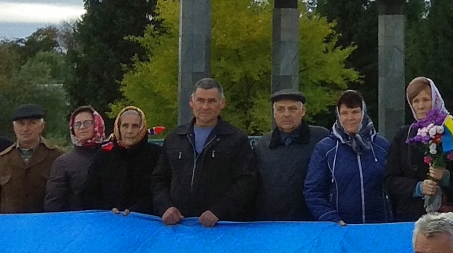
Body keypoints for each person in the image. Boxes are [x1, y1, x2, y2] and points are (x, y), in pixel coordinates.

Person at [152, 79, 259, 226]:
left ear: (222, 103)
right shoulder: (174, 138)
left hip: (221, 227)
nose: (205, 106)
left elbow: (247, 182)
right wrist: (165, 207)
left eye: (211, 101)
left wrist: (218, 211)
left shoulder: (236, 139)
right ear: (191, 102)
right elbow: (159, 179)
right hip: (179, 226)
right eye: (200, 100)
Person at [306, 91, 392, 225]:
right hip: (341, 228)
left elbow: (394, 184)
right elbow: (313, 190)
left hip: (379, 227)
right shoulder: (326, 148)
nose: (350, 118)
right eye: (344, 113)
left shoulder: (382, 146)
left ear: (363, 113)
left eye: (355, 112)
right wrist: (330, 218)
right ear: (338, 115)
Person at [387, 78, 453, 220]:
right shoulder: (403, 136)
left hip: (446, 215)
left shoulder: (452, 131)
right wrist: (417, 188)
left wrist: (446, 177)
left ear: (435, 100)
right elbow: (390, 179)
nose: (420, 106)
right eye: (415, 101)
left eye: (425, 100)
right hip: (410, 216)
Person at [256, 90, 326, 221]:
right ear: (274, 113)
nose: (286, 114)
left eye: (292, 109)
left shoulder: (321, 139)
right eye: (280, 109)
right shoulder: (263, 145)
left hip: (311, 222)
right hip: (270, 222)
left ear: (303, 111)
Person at [80, 106, 163, 215]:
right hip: (109, 220)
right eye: (125, 125)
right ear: (118, 127)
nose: (129, 131)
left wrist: (138, 210)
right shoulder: (104, 155)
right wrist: (107, 209)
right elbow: (89, 194)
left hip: (145, 219)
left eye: (135, 126)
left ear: (142, 128)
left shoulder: (157, 155)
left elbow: (162, 191)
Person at [0, 104, 61, 214]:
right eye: (21, 124)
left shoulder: (57, 156)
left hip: (45, 222)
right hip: (11, 223)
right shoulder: (0, 160)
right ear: (14, 127)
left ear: (42, 126)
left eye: (32, 123)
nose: (25, 129)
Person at [43, 106, 104, 212]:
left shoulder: (112, 156)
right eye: (77, 124)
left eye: (87, 123)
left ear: (97, 124)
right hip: (76, 220)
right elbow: (54, 204)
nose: (82, 127)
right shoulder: (63, 163)